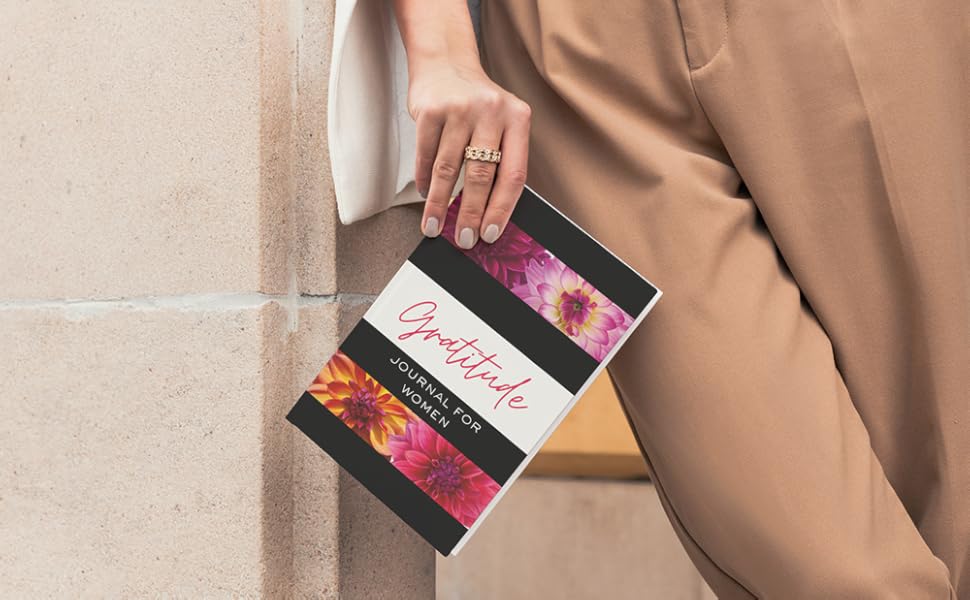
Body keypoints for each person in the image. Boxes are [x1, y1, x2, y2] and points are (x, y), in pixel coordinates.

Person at [341, 1, 968, 597]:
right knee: (841, 575)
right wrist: (442, 45)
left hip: (870, 31)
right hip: (576, 60)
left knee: (952, 510)